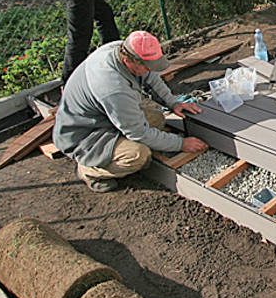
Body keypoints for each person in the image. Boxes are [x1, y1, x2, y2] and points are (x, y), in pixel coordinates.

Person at [53, 30, 207, 193]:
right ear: (127, 61)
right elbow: (138, 133)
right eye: (146, 66)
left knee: (157, 118)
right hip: (86, 134)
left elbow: (151, 76)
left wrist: (173, 103)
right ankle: (89, 170)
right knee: (138, 155)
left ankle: (119, 142)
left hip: (105, 115)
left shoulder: (121, 49)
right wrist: (181, 144)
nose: (149, 70)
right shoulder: (113, 87)